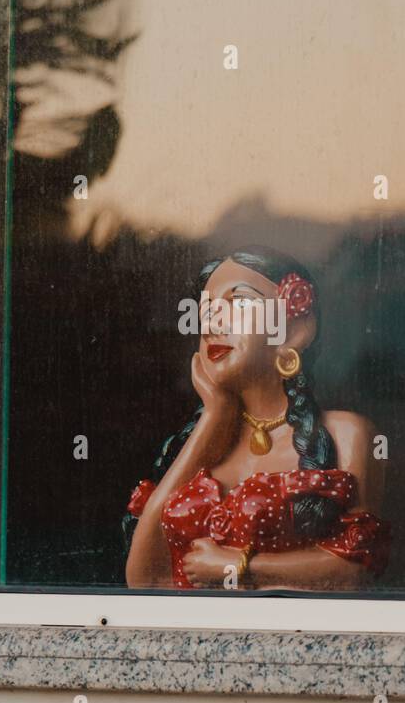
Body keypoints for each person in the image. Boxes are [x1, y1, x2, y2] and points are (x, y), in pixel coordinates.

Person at [124, 247, 390, 591]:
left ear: (296, 331)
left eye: (241, 303)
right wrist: (214, 418)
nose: (215, 323)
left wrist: (237, 566)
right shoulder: (200, 442)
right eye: (207, 310)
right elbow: (144, 580)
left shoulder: (346, 435)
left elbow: (356, 571)